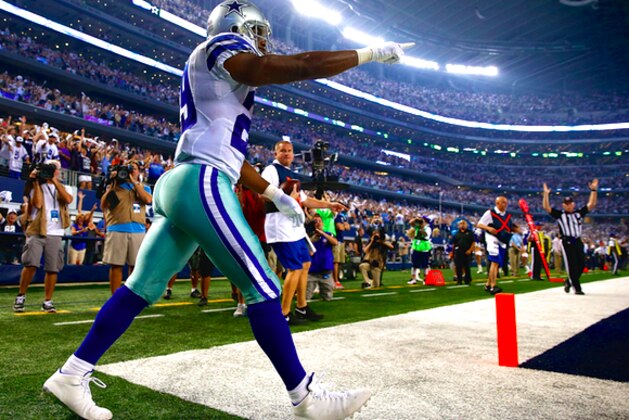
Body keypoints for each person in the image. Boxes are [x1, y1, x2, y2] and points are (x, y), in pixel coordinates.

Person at [43, 1, 411, 418]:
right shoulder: (219, 47)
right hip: (202, 180)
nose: (262, 41)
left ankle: (71, 374)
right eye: (258, 32)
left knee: (141, 287)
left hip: (186, 180)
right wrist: (368, 54)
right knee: (264, 287)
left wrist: (275, 195)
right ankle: (307, 399)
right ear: (236, 27)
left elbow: (232, 155)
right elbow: (298, 65)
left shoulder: (216, 74)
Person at [262, 139, 347, 325]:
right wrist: (286, 197)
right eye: (283, 150)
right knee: (294, 268)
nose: (287, 153)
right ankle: (283, 314)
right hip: (281, 226)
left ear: (294, 154)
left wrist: (329, 204)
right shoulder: (271, 170)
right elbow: (264, 194)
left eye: (289, 150)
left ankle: (301, 307)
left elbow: (305, 200)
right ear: (275, 154)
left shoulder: (290, 174)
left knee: (305, 263)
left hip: (294, 227)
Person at [13, 160, 73, 312]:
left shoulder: (64, 187)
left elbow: (68, 199)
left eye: (55, 169)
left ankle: (47, 301)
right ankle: (21, 296)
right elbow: (38, 204)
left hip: (56, 231)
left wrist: (54, 181)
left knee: (52, 268)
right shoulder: (35, 185)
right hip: (37, 229)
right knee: (30, 264)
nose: (54, 171)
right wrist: (35, 182)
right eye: (51, 169)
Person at [100, 160, 153, 294]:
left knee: (135, 266)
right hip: (116, 228)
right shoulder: (115, 186)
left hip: (138, 230)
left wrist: (134, 183)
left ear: (138, 171)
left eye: (133, 168)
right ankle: (115, 298)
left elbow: (148, 200)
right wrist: (112, 183)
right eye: (128, 168)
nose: (130, 171)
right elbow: (104, 205)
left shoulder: (144, 188)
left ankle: (130, 295)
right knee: (116, 265)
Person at [543, 180, 597, 295]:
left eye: (570, 203)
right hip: (567, 242)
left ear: (573, 204)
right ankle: (577, 288)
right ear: (563, 205)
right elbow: (547, 207)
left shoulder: (578, 213)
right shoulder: (560, 215)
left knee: (581, 265)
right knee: (572, 265)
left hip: (577, 240)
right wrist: (546, 194)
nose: (568, 205)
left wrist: (593, 190)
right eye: (566, 204)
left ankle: (568, 282)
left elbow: (591, 204)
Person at [477, 196, 522, 295]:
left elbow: (510, 227)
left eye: (506, 202)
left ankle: (488, 284)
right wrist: (489, 228)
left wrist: (517, 229)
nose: (505, 204)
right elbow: (479, 224)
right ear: (497, 203)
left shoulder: (508, 215)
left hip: (503, 240)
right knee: (495, 261)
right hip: (492, 238)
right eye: (503, 202)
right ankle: (493, 286)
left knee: (497, 263)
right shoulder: (490, 213)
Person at [306, 213, 337, 301]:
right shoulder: (308, 237)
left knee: (328, 297)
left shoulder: (328, 234)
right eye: (316, 221)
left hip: (325, 270)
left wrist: (322, 233)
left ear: (323, 223)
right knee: (305, 297)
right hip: (311, 270)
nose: (318, 223)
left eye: (320, 221)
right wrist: (315, 235)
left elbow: (335, 242)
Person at [407, 217, 432, 285]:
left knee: (425, 265)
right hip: (416, 248)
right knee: (414, 265)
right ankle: (414, 279)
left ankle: (425, 279)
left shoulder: (428, 228)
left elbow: (426, 235)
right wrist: (416, 219)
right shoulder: (417, 227)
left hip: (424, 249)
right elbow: (410, 223)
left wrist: (421, 228)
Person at [452, 220, 475, 285]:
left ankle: (467, 280)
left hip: (467, 252)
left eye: (463, 224)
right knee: (458, 266)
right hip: (458, 252)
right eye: (461, 224)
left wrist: (470, 250)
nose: (462, 225)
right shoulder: (456, 234)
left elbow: (473, 242)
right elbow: (454, 243)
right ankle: (459, 280)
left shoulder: (470, 233)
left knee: (467, 267)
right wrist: (452, 252)